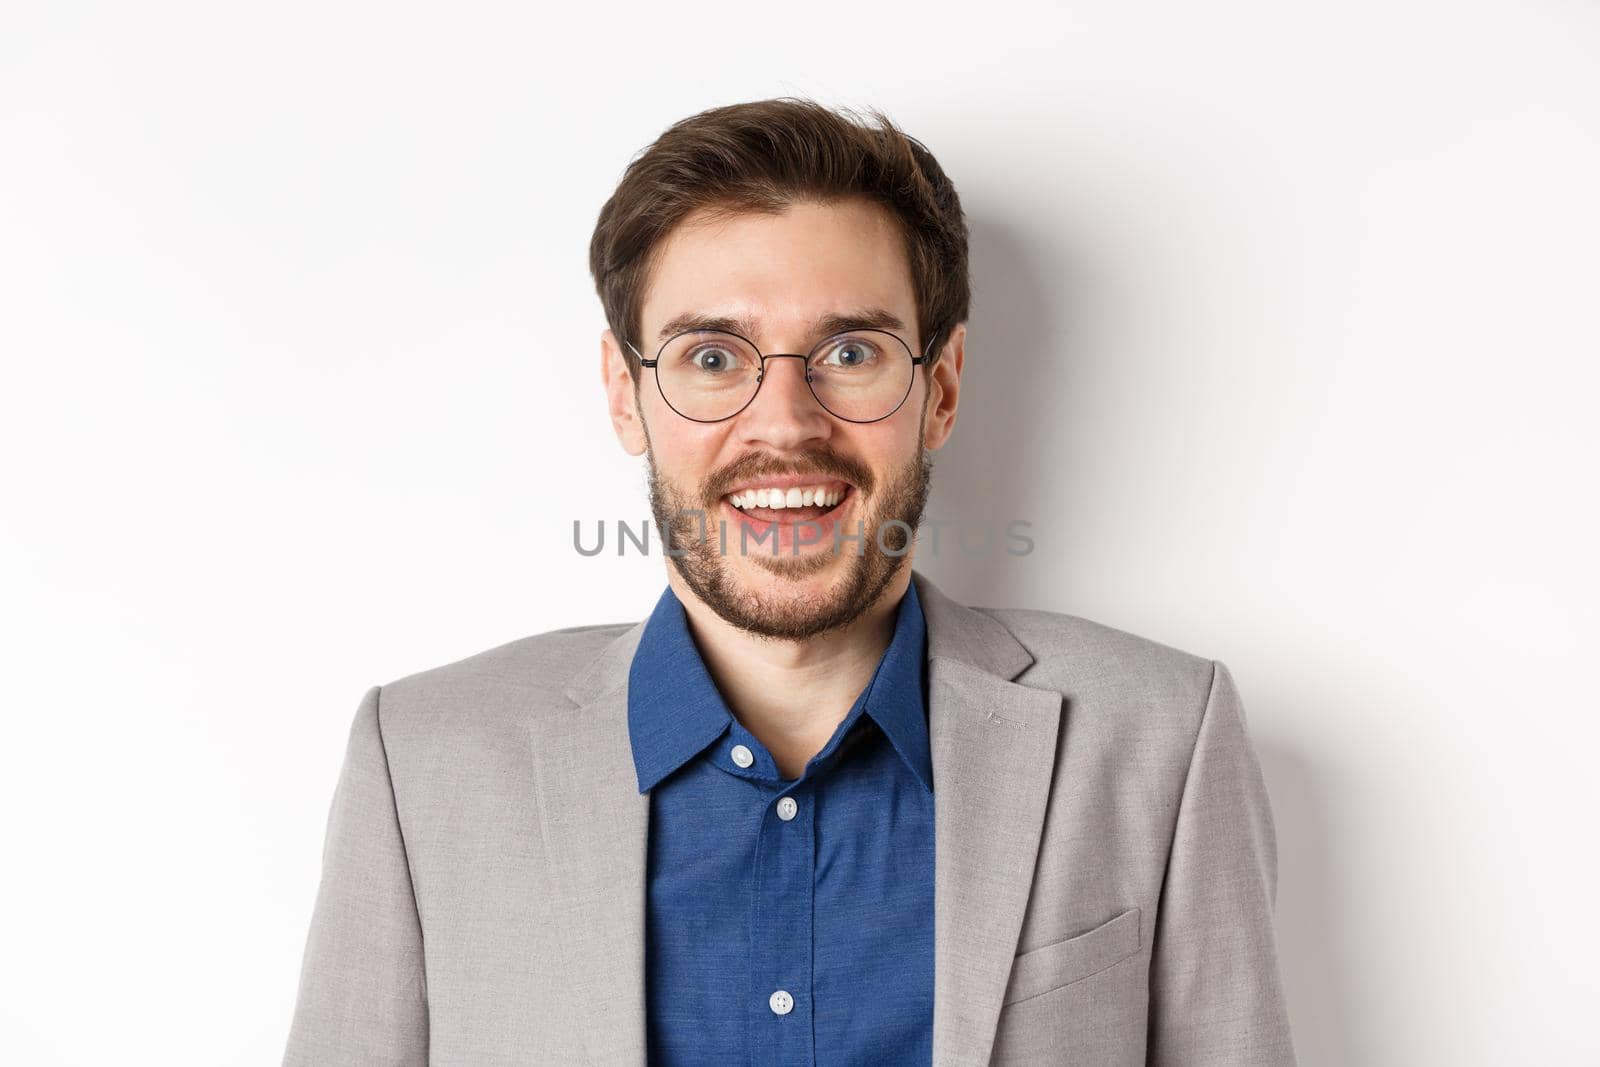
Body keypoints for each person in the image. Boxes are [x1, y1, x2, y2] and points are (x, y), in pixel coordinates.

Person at [282, 97, 1297, 1066]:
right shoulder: (419, 766)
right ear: (625, 396)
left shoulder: (1161, 738)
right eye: (712, 356)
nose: (784, 424)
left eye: (849, 351)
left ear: (938, 390)